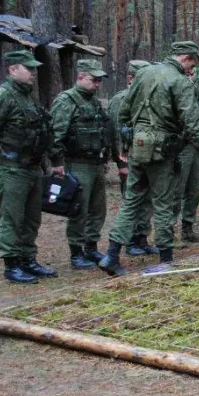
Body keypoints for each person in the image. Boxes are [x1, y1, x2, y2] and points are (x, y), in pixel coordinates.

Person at [101, 41, 199, 275]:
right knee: (164, 203)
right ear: (185, 58)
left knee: (131, 200)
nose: (192, 69)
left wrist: (127, 144)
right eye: (193, 63)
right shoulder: (180, 82)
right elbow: (194, 125)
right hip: (163, 152)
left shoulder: (143, 74)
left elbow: (124, 113)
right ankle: (166, 258)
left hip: (138, 148)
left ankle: (111, 255)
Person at [0, 49, 57, 283]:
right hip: (10, 166)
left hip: (31, 167)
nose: (33, 73)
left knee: (31, 217)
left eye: (34, 69)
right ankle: (12, 264)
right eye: (28, 69)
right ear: (12, 69)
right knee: (12, 216)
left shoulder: (28, 96)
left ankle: (28, 259)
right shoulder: (1, 96)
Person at [48, 59, 116, 270]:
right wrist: (57, 162)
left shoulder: (94, 102)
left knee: (98, 209)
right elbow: (56, 133)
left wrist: (105, 158)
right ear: (80, 77)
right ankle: (76, 252)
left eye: (99, 81)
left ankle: (91, 247)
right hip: (76, 162)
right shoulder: (67, 100)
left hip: (95, 162)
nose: (97, 84)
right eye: (93, 80)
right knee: (79, 208)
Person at [108, 60, 157, 255]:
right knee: (132, 201)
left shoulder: (145, 97)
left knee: (147, 201)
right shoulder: (121, 99)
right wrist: (121, 162)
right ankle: (129, 242)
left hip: (144, 158)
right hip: (128, 159)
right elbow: (116, 133)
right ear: (130, 78)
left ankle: (141, 238)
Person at [173, 63, 199, 243]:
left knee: (194, 191)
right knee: (176, 190)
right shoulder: (174, 91)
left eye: (193, 73)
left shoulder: (195, 93)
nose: (191, 76)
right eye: (188, 73)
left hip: (196, 146)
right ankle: (169, 231)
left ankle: (188, 227)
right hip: (180, 147)